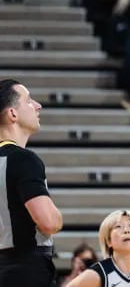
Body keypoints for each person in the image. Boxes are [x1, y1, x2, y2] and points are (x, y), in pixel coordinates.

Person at [0, 80, 62, 287]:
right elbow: (49, 222)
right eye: (28, 101)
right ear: (13, 114)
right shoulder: (23, 159)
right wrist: (57, 216)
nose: (38, 105)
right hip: (26, 271)